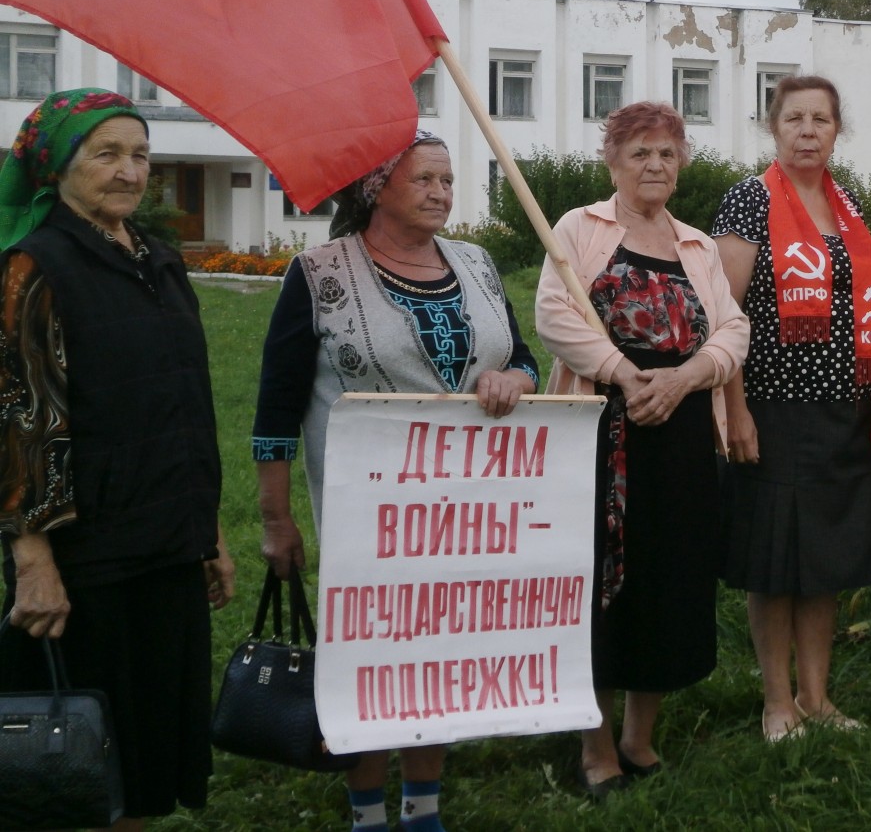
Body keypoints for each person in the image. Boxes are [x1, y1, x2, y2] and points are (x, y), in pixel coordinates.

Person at [253, 130, 539, 832]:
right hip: (369, 519)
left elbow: (523, 356)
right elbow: (274, 410)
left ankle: (423, 806)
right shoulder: (319, 273)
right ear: (378, 186)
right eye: (427, 180)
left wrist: (514, 378)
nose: (443, 193)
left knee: (438, 651)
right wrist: (274, 518)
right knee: (371, 656)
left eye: (448, 180)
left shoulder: (475, 263)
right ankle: (366, 810)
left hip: (468, 513)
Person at [0, 88, 235, 830]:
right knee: (81, 760)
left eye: (140, 154)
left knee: (143, 755)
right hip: (86, 557)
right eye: (106, 154)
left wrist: (211, 534)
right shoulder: (33, 266)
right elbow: (16, 419)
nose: (130, 172)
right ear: (57, 167)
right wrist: (33, 558)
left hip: (167, 540)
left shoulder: (160, 263)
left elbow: (185, 408)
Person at [536, 101, 748, 797]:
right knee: (599, 585)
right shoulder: (580, 228)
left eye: (667, 152)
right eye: (640, 153)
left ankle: (639, 736)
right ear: (613, 162)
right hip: (604, 431)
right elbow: (555, 314)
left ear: (681, 162)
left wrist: (685, 377)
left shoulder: (698, 246)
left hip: (683, 437)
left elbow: (732, 330)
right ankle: (595, 748)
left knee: (668, 578)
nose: (654, 164)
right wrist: (628, 376)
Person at [713, 75, 871, 742]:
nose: (809, 130)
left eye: (822, 118)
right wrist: (733, 408)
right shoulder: (749, 200)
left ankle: (818, 697)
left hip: (844, 410)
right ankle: (777, 702)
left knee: (824, 560)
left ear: (837, 130)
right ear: (774, 126)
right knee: (777, 562)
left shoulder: (848, 205)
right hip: (772, 406)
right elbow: (723, 313)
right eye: (795, 118)